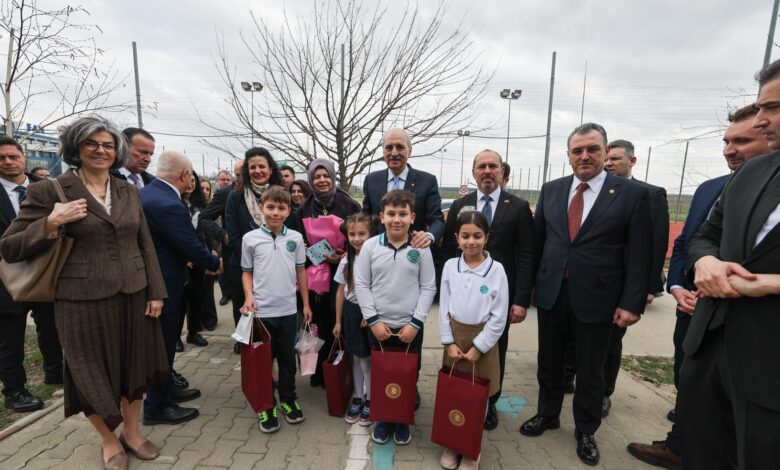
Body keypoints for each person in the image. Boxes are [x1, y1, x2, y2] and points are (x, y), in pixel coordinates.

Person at [0, 116, 169, 469]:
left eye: (108, 145)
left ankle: (132, 432)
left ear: (117, 151)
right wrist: (50, 222)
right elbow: (10, 246)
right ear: (76, 148)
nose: (101, 150)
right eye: (91, 143)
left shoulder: (127, 190)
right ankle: (108, 439)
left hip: (134, 293)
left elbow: (144, 242)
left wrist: (156, 290)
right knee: (89, 372)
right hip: (80, 299)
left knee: (134, 367)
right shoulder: (50, 191)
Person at [627, 104, 770, 469]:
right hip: (697, 315)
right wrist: (680, 285)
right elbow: (690, 242)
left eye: (742, 141)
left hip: (761, 338)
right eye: (726, 141)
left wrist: (763, 284)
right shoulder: (711, 189)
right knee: (692, 393)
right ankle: (680, 446)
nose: (729, 150)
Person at [520, 123, 652, 466]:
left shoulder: (630, 194)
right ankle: (547, 414)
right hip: (552, 293)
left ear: (605, 152)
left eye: (592, 149)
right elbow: (538, 243)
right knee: (549, 361)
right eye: (577, 150)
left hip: (598, 297)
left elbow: (640, 254)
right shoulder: (552, 190)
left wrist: (631, 302)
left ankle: (585, 430)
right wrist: (529, 289)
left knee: (591, 368)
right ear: (568, 155)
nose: (585, 156)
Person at [677, 61, 780, 470]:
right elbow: (705, 235)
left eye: (772, 108)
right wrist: (705, 262)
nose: (761, 119)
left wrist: (771, 283)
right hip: (710, 346)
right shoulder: (754, 171)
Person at [441, 149, 533, 430]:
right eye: (481, 166)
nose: (487, 171)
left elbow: (526, 255)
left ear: (502, 171)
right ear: (474, 173)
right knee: (459, 353)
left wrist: (521, 300)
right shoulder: (460, 205)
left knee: (494, 350)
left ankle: (490, 401)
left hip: (498, 296)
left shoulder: (518, 207)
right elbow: (449, 250)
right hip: (464, 293)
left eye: (493, 166)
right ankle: (459, 397)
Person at [141, 151, 221, 427]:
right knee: (161, 345)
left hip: (162, 281)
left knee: (165, 342)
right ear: (185, 175)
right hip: (163, 284)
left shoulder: (149, 193)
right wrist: (214, 262)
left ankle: (166, 391)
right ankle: (157, 406)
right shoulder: (168, 203)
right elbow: (188, 244)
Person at [593, 139, 669, 417]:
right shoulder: (595, 191)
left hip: (623, 285)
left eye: (615, 159)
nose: (609, 164)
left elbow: (655, 245)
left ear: (632, 161)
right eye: (607, 159)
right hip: (591, 281)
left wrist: (647, 288)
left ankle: (603, 393)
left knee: (611, 342)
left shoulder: (650, 194)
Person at [354, 189, 436, 447]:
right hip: (379, 326)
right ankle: (383, 418)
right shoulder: (370, 247)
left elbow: (428, 287)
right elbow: (362, 284)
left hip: (409, 328)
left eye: (403, 214)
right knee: (381, 373)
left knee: (408, 374)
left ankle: (401, 418)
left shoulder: (420, 248)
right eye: (391, 214)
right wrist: (373, 320)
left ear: (413, 217)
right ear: (382, 217)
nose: (397, 219)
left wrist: (416, 323)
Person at [438, 210, 508, 470]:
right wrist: (449, 342)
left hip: (483, 341)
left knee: (477, 397)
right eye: (465, 236)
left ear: (486, 237)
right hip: (455, 339)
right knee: (454, 393)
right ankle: (452, 442)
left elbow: (499, 316)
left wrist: (479, 347)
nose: (471, 242)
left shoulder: (497, 270)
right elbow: (443, 307)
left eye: (477, 236)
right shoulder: (450, 266)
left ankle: (470, 449)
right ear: (457, 238)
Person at [239, 186, 313, 433]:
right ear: (262, 208)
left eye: (281, 208)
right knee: (262, 363)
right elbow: (246, 272)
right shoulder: (250, 239)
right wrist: (249, 296)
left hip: (288, 312)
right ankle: (266, 404)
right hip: (261, 314)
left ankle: (288, 399)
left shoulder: (295, 238)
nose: (275, 212)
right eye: (270, 207)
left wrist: (305, 303)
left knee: (287, 361)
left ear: (288, 211)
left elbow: (301, 271)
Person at [0, 137, 62, 413]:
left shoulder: (47, 188)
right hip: (6, 276)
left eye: (13, 156)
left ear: (23, 157)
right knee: (10, 336)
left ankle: (56, 372)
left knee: (51, 325)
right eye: (1, 158)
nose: (8, 162)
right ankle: (14, 390)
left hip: (46, 269)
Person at [289, 158, 361, 387]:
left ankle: (340, 370)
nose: (322, 180)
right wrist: (318, 254)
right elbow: (297, 245)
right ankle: (318, 371)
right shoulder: (303, 209)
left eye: (325, 176)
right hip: (314, 276)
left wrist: (344, 254)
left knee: (338, 321)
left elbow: (361, 235)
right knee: (317, 324)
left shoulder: (349, 204)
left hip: (344, 273)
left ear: (332, 176)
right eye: (317, 177)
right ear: (311, 180)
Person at [225, 149, 284, 353]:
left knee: (273, 318)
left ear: (271, 169)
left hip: (275, 268)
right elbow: (233, 235)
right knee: (247, 313)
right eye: (253, 167)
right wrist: (253, 260)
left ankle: (272, 355)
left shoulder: (281, 194)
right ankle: (251, 359)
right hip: (244, 267)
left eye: (262, 166)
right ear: (246, 171)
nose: (258, 171)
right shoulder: (236, 196)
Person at [362, 128, 444, 249]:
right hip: (378, 252)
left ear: (409, 151)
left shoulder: (428, 181)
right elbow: (365, 219)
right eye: (389, 148)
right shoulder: (371, 180)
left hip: (415, 250)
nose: (394, 153)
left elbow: (437, 220)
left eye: (400, 147)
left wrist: (428, 236)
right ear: (383, 151)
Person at [333, 212, 375, 426]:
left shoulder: (377, 258)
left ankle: (370, 400)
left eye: (362, 234)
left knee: (366, 359)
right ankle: (358, 397)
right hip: (351, 312)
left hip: (370, 315)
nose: (357, 238)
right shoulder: (346, 260)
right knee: (356, 358)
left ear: (371, 234)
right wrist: (338, 321)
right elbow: (340, 292)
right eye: (352, 234)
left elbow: (382, 290)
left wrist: (371, 314)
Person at [201, 161, 243, 310]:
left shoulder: (267, 191)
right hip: (235, 256)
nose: (240, 176)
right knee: (241, 305)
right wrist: (223, 236)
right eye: (237, 174)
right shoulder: (225, 194)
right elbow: (204, 218)